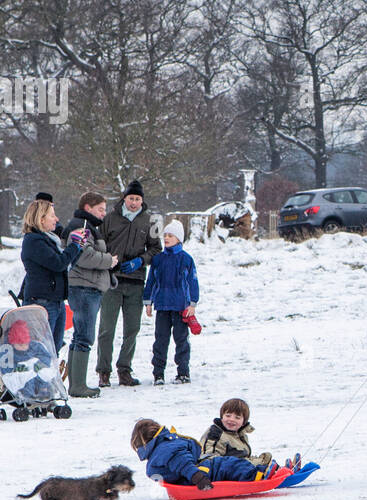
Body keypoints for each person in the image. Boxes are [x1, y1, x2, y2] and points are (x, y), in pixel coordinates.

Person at [97, 180, 162, 387]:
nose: (134, 203)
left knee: (132, 328)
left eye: (138, 199)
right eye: (131, 198)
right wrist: (108, 262)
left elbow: (156, 249)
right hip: (112, 280)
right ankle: (103, 371)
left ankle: (124, 369)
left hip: (135, 281)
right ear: (124, 198)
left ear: (142, 201)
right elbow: (99, 244)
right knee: (107, 328)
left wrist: (141, 260)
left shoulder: (151, 222)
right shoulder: (109, 219)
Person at [64, 192, 120, 398]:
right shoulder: (83, 227)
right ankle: (78, 386)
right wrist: (108, 261)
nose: (104, 214)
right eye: (101, 209)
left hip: (87, 287)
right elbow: (84, 255)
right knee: (84, 336)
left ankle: (76, 383)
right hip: (85, 288)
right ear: (88, 207)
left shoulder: (88, 226)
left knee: (80, 335)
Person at [130, 419, 278, 489]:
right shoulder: (167, 448)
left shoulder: (159, 452)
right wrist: (198, 477)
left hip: (191, 475)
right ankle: (259, 475)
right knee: (227, 464)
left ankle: (262, 468)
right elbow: (184, 464)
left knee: (226, 463)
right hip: (197, 476)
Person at [20, 198, 84, 354]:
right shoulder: (34, 241)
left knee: (53, 351)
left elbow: (65, 265)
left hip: (56, 301)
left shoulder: (49, 240)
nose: (56, 219)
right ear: (41, 219)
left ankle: (49, 377)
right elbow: (58, 263)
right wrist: (73, 245)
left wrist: (78, 248)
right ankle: (39, 378)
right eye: (52, 215)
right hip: (42, 303)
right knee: (41, 352)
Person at [143, 219, 198, 385]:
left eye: (170, 235)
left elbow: (193, 282)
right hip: (162, 305)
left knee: (181, 340)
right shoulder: (158, 259)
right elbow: (151, 281)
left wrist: (192, 303)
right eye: (165, 235)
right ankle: (158, 374)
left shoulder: (186, 259)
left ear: (179, 239)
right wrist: (148, 301)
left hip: (181, 306)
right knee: (160, 340)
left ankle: (183, 372)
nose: (166, 238)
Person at [200, 397, 302, 469]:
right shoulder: (215, 433)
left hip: (239, 467)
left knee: (264, 458)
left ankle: (284, 471)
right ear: (222, 416)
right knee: (250, 465)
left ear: (243, 422)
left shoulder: (239, 435)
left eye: (237, 417)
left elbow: (244, 456)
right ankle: (270, 473)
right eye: (228, 415)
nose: (231, 420)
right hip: (223, 470)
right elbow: (208, 459)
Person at [0, 319, 57, 404]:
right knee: (27, 381)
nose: (24, 347)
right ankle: (29, 397)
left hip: (34, 372)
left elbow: (45, 357)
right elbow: (6, 368)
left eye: (26, 344)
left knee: (44, 377)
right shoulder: (7, 351)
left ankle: (46, 395)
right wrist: (18, 369)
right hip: (20, 376)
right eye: (20, 344)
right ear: (12, 343)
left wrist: (39, 364)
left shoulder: (35, 346)